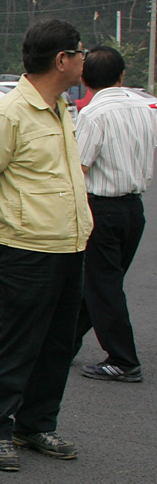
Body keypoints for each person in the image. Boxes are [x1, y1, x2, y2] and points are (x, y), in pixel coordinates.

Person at [0, 18, 91, 472]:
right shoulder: (9, 114)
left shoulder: (61, 109)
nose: (83, 60)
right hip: (24, 250)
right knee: (15, 342)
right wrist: (1, 218)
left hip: (69, 247)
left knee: (58, 343)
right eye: (80, 52)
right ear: (62, 59)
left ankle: (36, 423)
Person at [72, 46, 155, 382]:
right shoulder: (147, 107)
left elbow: (79, 167)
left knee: (102, 284)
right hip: (133, 208)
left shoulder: (94, 114)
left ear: (84, 78)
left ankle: (122, 359)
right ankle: (64, 342)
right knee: (101, 282)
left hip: (100, 208)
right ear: (122, 75)